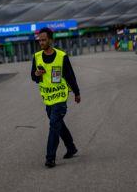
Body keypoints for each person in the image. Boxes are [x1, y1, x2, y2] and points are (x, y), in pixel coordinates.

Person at [31, 27, 81, 168]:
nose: (41, 42)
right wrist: (37, 74)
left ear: (51, 40)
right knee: (58, 124)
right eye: (39, 40)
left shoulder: (61, 56)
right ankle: (71, 147)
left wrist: (76, 93)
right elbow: (33, 77)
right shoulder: (37, 57)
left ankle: (50, 158)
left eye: (44, 40)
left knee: (54, 125)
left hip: (60, 98)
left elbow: (70, 76)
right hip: (48, 99)